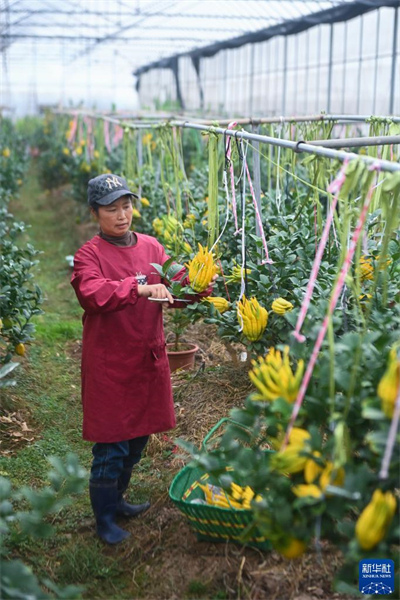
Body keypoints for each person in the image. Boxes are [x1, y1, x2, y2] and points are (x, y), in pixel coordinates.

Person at [71, 173, 214, 544]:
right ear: (95, 213)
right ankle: (103, 520)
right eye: (111, 209)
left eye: (126, 206)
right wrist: (137, 287)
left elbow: (175, 287)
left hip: (146, 358)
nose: (121, 215)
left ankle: (117, 501)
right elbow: (92, 294)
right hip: (109, 364)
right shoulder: (90, 255)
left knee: (137, 439)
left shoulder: (152, 247)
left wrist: (200, 283)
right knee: (111, 445)